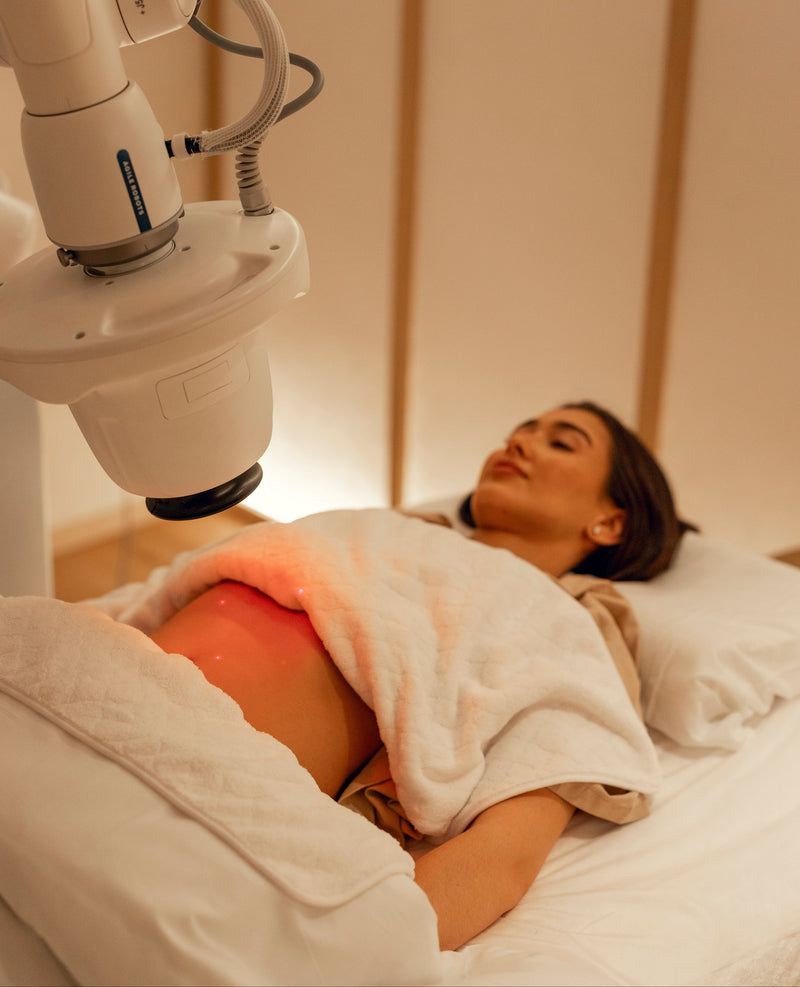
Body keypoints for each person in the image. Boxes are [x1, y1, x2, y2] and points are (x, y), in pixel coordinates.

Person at [149, 400, 690, 951]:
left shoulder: (566, 626)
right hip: (111, 688)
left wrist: (345, 957)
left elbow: (506, 856)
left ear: (610, 521)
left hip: (183, 799)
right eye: (519, 430)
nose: (517, 443)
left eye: (561, 442)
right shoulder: (384, 528)